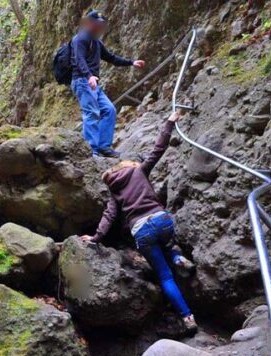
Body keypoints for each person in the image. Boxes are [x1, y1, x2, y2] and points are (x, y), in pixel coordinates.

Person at [80, 111, 197, 332]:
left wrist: (95, 238)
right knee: (169, 244)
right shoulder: (138, 171)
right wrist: (169, 123)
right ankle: (179, 258)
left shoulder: (114, 191)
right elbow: (157, 150)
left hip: (141, 230)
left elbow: (109, 216)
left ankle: (188, 317)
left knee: (165, 277)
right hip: (161, 219)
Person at [71, 9, 146, 158]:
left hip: (92, 84)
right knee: (91, 113)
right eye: (97, 24)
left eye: (102, 25)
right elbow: (79, 59)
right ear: (89, 23)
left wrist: (132, 62)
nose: (100, 27)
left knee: (109, 110)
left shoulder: (96, 42)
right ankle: (92, 152)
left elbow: (112, 58)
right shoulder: (80, 39)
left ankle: (104, 147)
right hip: (82, 81)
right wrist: (89, 76)